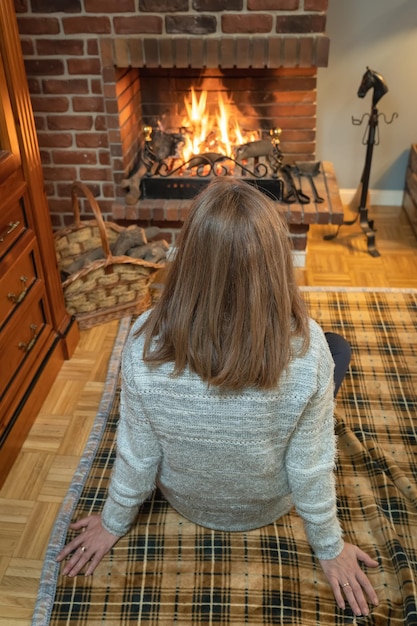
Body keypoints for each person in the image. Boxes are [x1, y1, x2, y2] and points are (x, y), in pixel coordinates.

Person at [57, 177, 379, 617]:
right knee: (338, 348)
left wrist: (113, 521)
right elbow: (310, 464)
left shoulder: (142, 342)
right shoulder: (310, 351)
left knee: (322, 357)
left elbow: (138, 453)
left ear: (186, 258)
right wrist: (329, 547)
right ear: (276, 265)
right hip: (267, 503)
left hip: (185, 498)